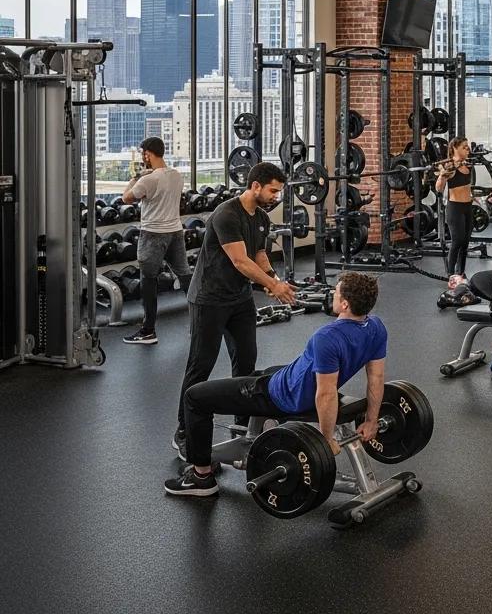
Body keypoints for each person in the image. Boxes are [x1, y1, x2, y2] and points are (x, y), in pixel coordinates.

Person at [164, 273, 386, 497]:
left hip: (280, 397)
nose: (333, 294)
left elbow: (326, 395)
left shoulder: (327, 337)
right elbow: (376, 379)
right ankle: (261, 432)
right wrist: (371, 421)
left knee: (195, 397)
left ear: (345, 303)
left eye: (336, 291)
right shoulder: (376, 327)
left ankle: (201, 476)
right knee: (263, 373)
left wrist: (325, 440)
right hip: (288, 383)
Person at [172, 162, 297, 461]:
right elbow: (240, 261)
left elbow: (259, 253)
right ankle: (183, 430)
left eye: (278, 191)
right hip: (209, 299)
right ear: (256, 185)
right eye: (273, 190)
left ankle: (243, 422)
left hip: (239, 300)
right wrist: (271, 285)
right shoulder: (227, 214)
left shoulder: (262, 217)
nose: (276, 196)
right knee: (200, 365)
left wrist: (273, 280)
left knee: (246, 360)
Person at [121, 137, 190, 345]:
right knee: (186, 276)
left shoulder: (147, 180)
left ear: (147, 154)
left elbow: (126, 198)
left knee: (148, 280)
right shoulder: (177, 176)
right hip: (175, 232)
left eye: (144, 154)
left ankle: (148, 330)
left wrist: (136, 177)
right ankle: (202, 322)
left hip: (153, 234)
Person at [436, 137, 476, 277]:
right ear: (455, 148)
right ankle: (451, 273)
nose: (468, 149)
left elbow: (468, 187)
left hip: (468, 207)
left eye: (467, 146)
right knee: (457, 240)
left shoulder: (468, 165)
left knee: (465, 242)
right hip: (455, 208)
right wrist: (441, 176)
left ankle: (461, 272)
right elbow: (439, 189)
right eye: (464, 147)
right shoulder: (449, 167)